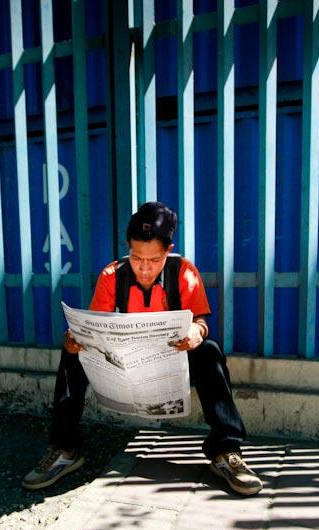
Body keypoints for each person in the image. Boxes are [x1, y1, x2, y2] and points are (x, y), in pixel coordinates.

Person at [22, 201, 262, 496]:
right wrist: (76, 341)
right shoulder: (112, 275)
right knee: (72, 351)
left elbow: (200, 321)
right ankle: (64, 449)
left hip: (170, 368)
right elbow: (95, 326)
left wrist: (196, 332)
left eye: (154, 259)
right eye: (137, 258)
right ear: (128, 247)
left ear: (168, 249)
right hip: (121, 369)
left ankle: (226, 452)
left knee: (209, 350)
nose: (144, 268)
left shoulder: (185, 273)